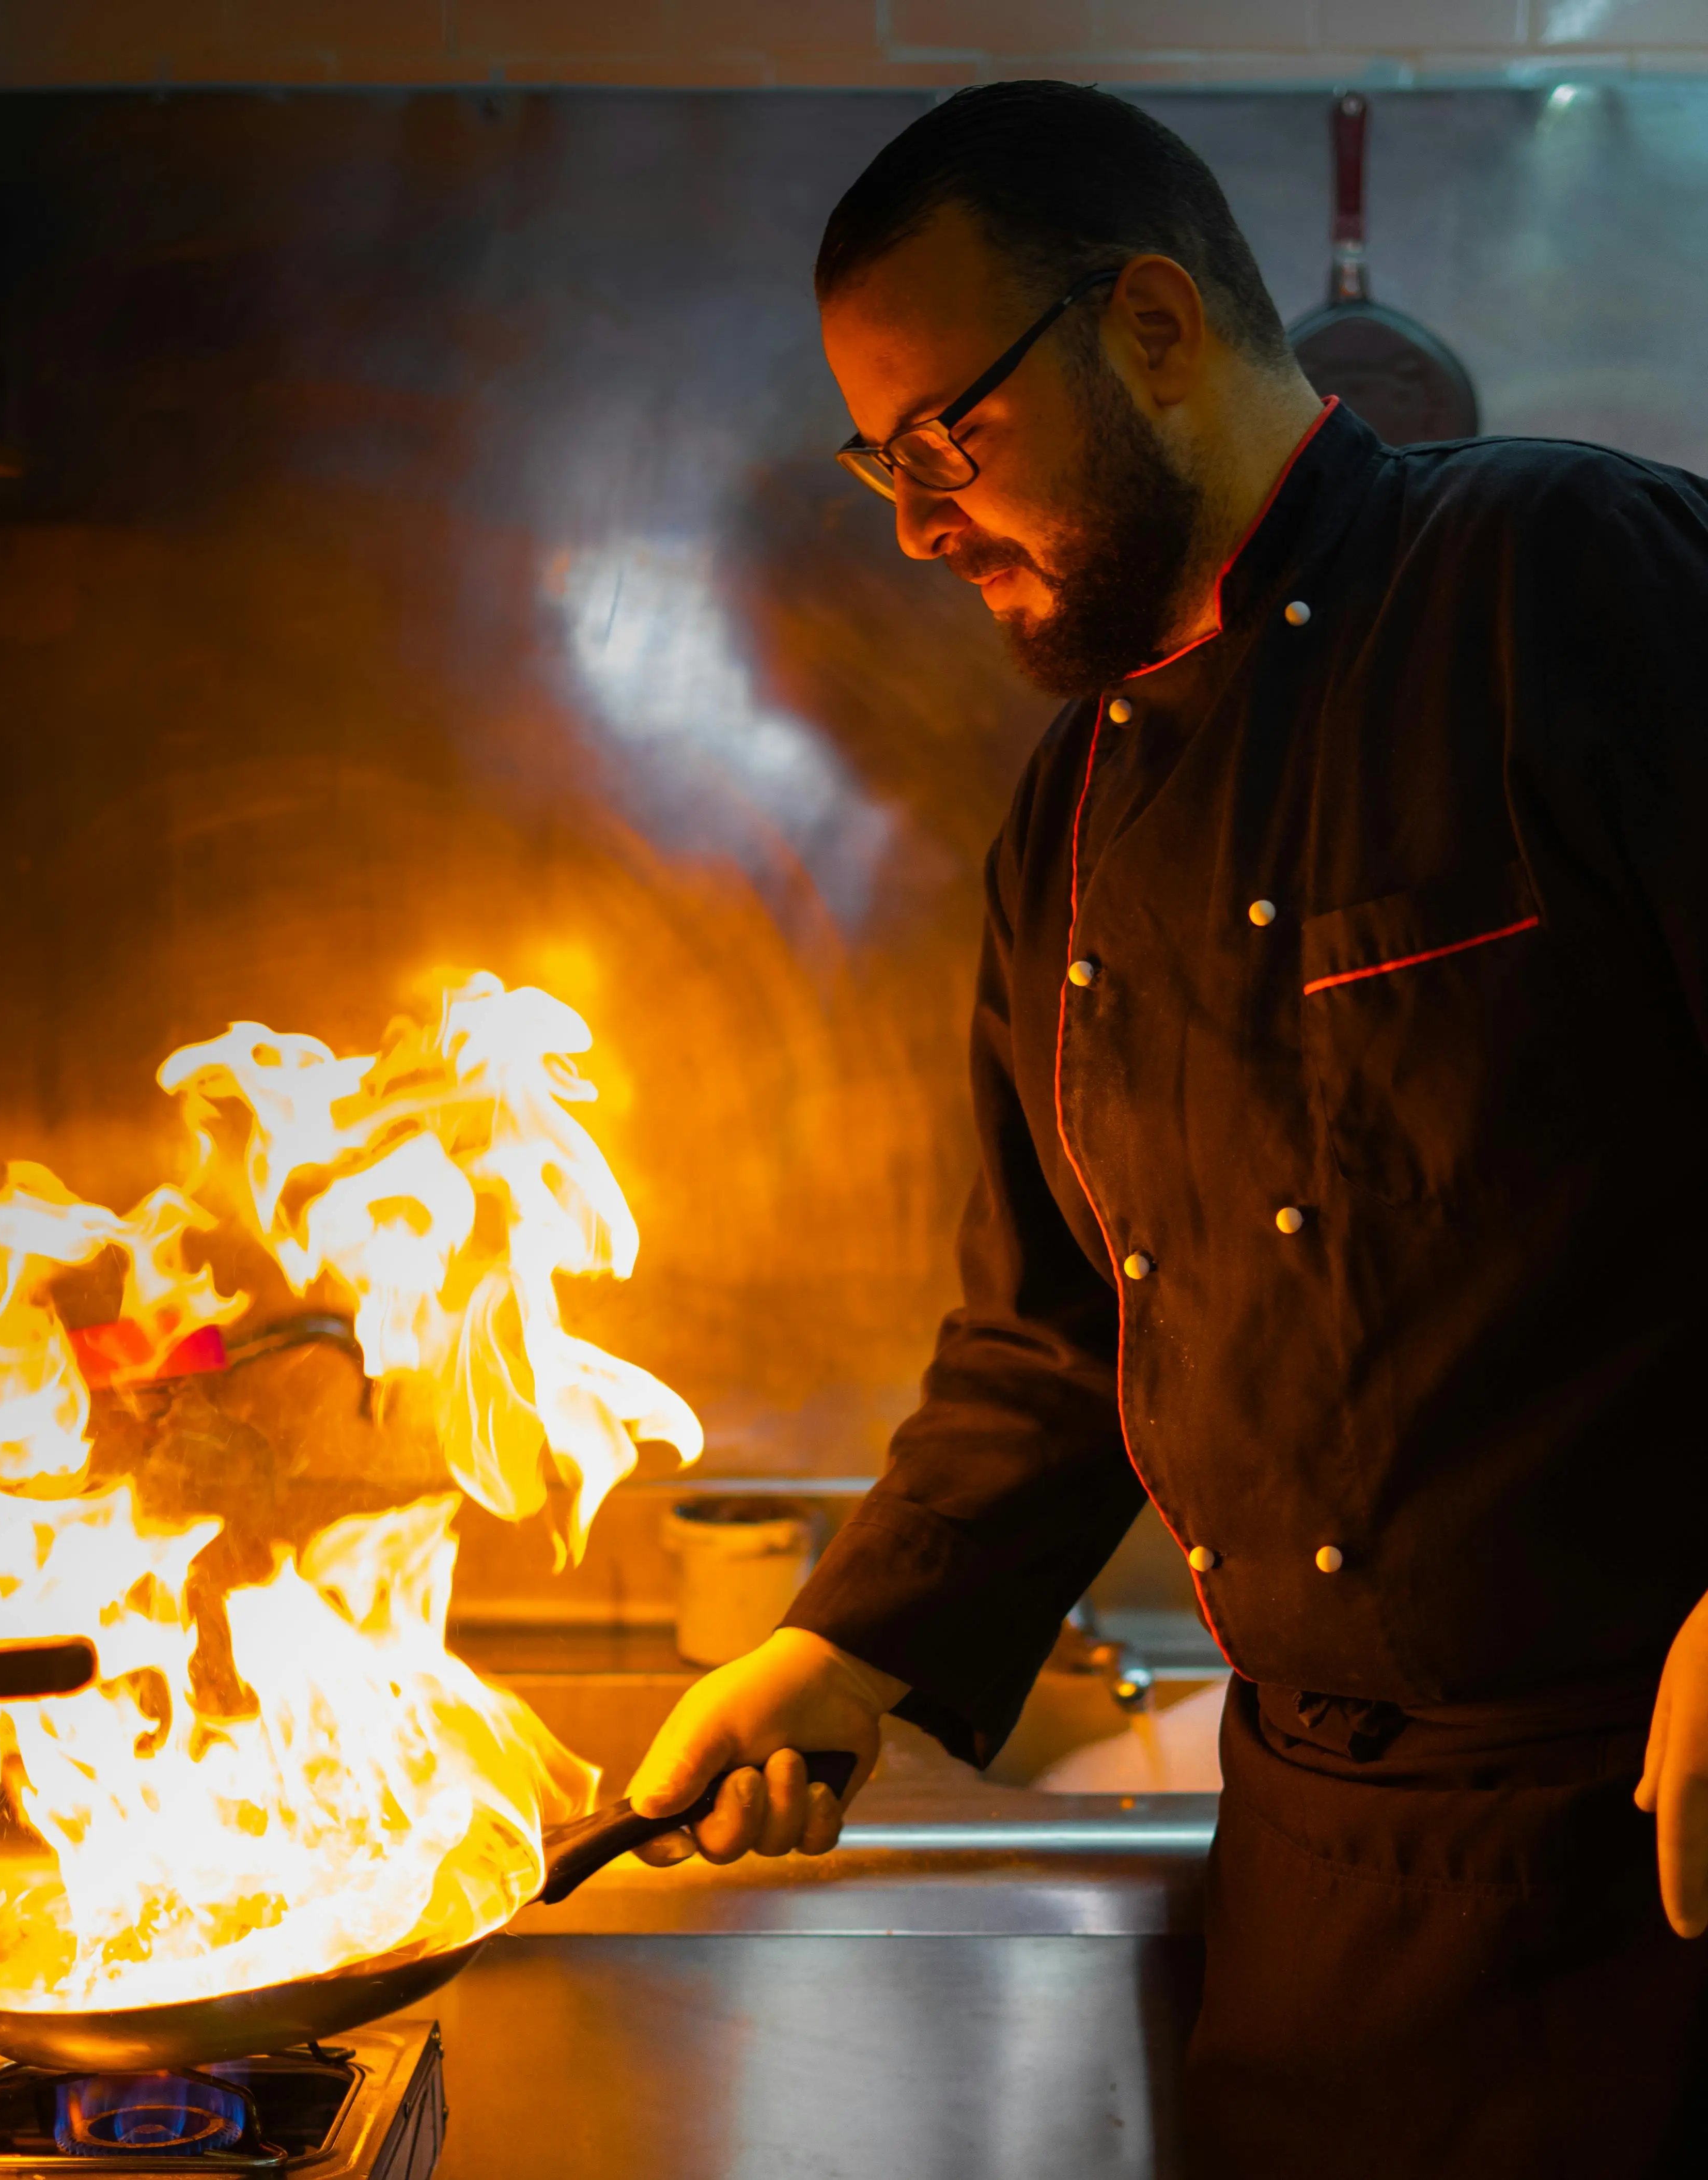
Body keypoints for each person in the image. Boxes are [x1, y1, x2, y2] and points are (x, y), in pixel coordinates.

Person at [626, 81, 1708, 2176]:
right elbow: (1048, 1334)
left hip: (1660, 1844)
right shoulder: (1069, 822)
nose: (919, 521)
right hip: (1320, 1892)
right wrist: (844, 1638)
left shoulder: (1569, 582)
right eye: (885, 463)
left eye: (949, 435)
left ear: (1144, 324)